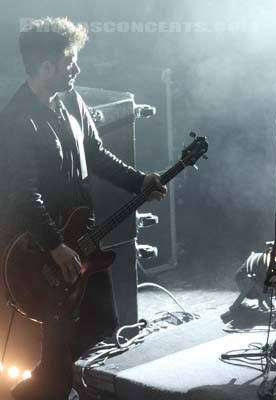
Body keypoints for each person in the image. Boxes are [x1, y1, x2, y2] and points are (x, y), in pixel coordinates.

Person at [0, 17, 167, 400]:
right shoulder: (16, 121)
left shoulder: (72, 100)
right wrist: (56, 246)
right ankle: (43, 390)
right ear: (46, 68)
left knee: (102, 323)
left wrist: (138, 181)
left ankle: (38, 387)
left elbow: (97, 153)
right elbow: (24, 194)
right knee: (59, 336)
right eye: (70, 61)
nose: (77, 68)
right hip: (42, 248)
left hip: (81, 239)